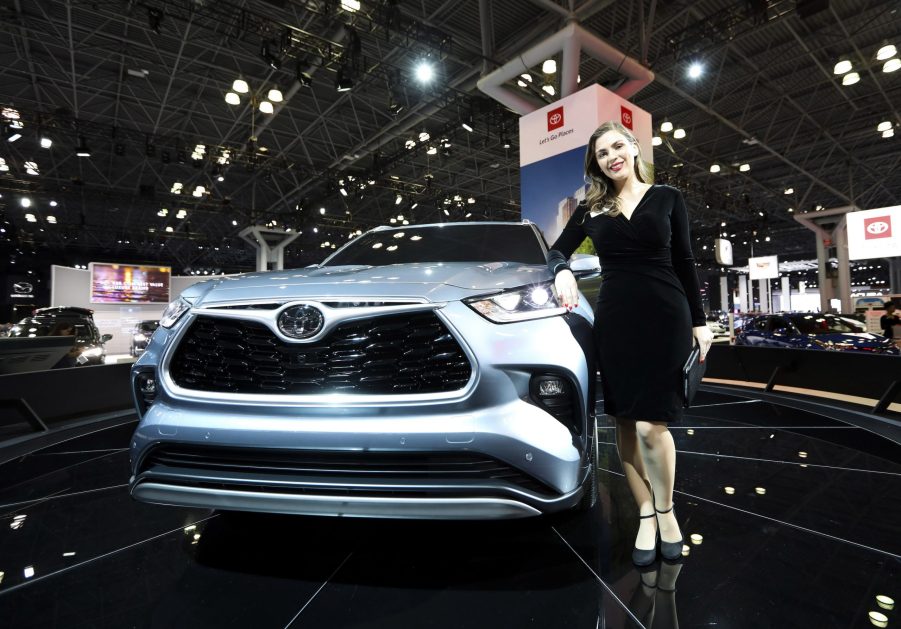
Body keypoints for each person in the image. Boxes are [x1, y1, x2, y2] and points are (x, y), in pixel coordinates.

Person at [547, 120, 713, 566]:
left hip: (667, 315)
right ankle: (643, 511)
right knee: (623, 422)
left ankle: (666, 510)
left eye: (617, 146)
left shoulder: (667, 198)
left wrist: (700, 321)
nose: (611, 157)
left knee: (651, 424)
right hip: (617, 320)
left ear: (635, 147)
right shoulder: (590, 207)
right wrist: (561, 270)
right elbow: (555, 250)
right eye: (602, 154)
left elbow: (685, 259)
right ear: (596, 163)